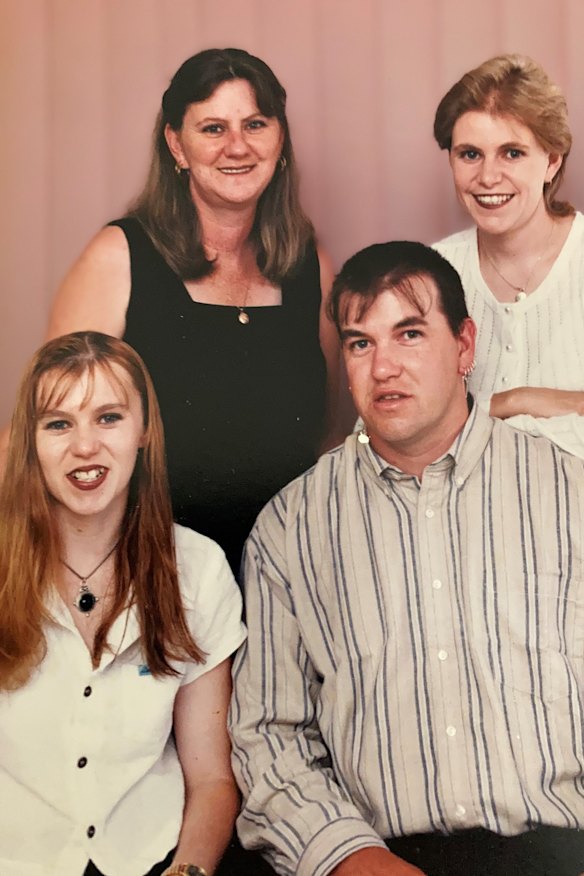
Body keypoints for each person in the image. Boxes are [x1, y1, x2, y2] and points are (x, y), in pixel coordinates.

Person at [229, 242, 584, 876]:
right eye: (360, 343)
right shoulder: (292, 528)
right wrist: (350, 857)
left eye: (410, 333)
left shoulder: (567, 493)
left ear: (465, 347)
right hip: (379, 858)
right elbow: (268, 736)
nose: (383, 366)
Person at [43, 47, 349, 575]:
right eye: (212, 128)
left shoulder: (311, 266)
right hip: (153, 572)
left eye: (255, 123)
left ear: (280, 142)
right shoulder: (119, 257)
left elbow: (328, 429)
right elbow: (52, 428)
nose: (237, 146)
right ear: (175, 145)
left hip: (290, 573)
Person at [0, 331, 247, 876]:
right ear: (31, 442)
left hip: (155, 861)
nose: (85, 446)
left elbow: (211, 779)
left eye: (108, 418)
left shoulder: (198, 568)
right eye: (58, 423)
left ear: (144, 431)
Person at [433, 53, 584, 459]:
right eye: (469, 154)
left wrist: (470, 413)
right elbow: (389, 428)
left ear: (552, 161)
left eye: (512, 153)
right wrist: (515, 401)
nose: (487, 177)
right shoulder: (432, 274)